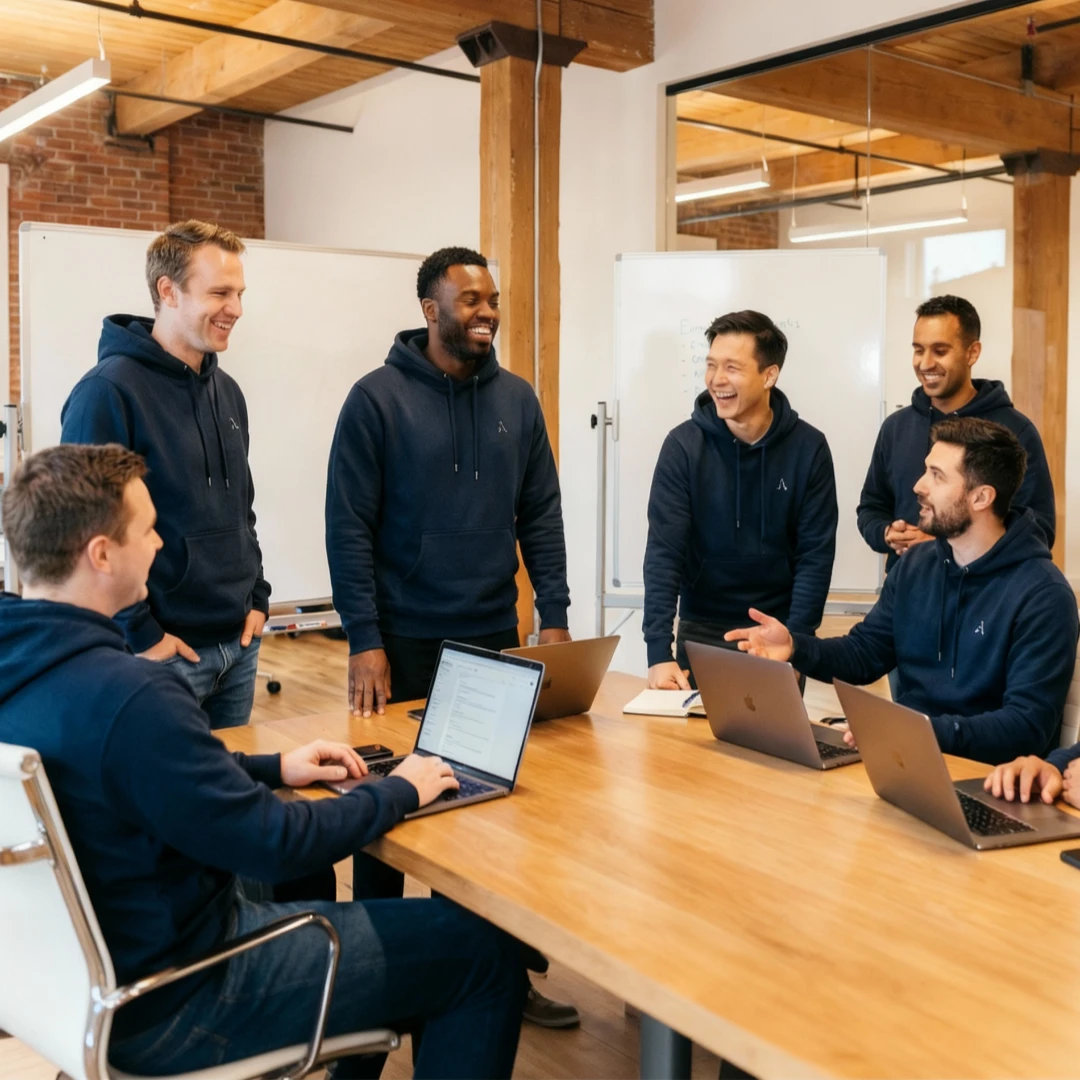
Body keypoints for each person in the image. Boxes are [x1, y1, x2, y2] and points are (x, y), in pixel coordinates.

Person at [0, 444, 527, 1078]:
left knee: (410, 943)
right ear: (101, 553)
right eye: (147, 529)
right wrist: (401, 790)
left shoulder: (30, 673)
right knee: (481, 953)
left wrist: (275, 768)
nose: (161, 544)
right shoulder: (131, 696)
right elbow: (273, 845)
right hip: (182, 997)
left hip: (77, 992)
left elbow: (125, 778)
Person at [325, 245, 576, 1028]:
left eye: (491, 299)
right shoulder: (375, 400)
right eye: (470, 301)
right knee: (388, 812)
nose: (487, 313)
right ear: (431, 309)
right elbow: (348, 528)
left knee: (490, 816)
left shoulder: (519, 400)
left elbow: (541, 514)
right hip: (402, 639)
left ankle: (490, 970)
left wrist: (555, 614)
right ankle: (378, 978)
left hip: (491, 633)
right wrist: (364, 635)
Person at [727, 417, 1078, 766]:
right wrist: (794, 647)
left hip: (989, 780)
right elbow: (864, 654)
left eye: (937, 476)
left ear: (981, 497)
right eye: (926, 470)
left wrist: (918, 730)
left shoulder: (1044, 595)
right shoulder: (915, 566)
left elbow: (1026, 726)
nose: (918, 486)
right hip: (905, 760)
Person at [60, 220, 269, 730]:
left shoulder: (229, 392)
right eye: (220, 292)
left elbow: (241, 508)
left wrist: (257, 598)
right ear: (168, 291)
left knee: (229, 796)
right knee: (159, 805)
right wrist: (142, 634)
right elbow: (89, 532)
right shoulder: (107, 393)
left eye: (239, 293)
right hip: (163, 654)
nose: (236, 309)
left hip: (239, 647)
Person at [643, 309, 837, 690]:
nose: (717, 379)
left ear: (769, 375)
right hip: (700, 630)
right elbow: (664, 553)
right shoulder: (683, 447)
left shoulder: (808, 448)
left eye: (732, 367)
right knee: (689, 750)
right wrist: (658, 653)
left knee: (772, 749)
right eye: (711, 365)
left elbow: (815, 555)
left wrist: (799, 641)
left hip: (776, 633)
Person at [858, 294, 1055, 568]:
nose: (925, 363)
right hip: (907, 590)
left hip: (984, 596)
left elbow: (1039, 529)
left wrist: (941, 543)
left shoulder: (1015, 431)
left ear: (972, 352)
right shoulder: (896, 427)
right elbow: (871, 507)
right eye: (918, 349)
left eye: (940, 351)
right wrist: (887, 534)